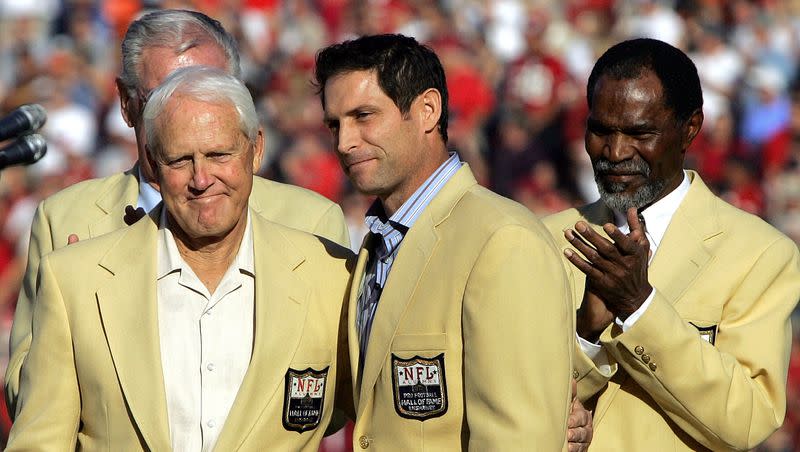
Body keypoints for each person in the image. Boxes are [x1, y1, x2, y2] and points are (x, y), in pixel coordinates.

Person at [5, 9, 349, 412]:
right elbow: (27, 395)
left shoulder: (310, 222)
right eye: (163, 98)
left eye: (210, 93)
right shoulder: (65, 221)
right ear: (126, 103)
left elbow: (336, 398)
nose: (188, 115)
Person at [315, 34, 575, 450]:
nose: (344, 142)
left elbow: (518, 439)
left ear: (427, 110)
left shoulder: (502, 240)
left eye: (363, 116)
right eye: (335, 124)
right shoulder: (377, 243)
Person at [544, 38, 800, 451]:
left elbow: (748, 420)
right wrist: (586, 334)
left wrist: (640, 307)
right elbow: (504, 394)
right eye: (601, 131)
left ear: (690, 129)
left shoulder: (761, 254)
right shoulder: (541, 239)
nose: (615, 152)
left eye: (639, 133)